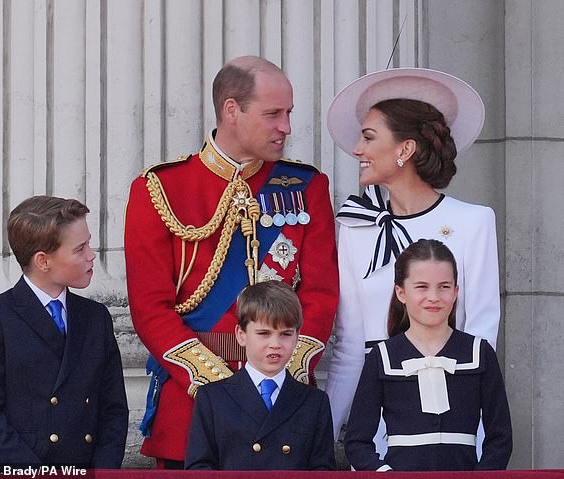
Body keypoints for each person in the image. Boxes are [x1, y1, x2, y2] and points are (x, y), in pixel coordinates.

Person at [124, 55, 338, 468]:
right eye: (273, 114)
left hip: (283, 402)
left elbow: (321, 295)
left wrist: (275, 374)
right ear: (231, 110)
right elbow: (151, 308)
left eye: (289, 113)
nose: (287, 127)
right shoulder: (160, 189)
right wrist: (223, 386)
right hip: (194, 400)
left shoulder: (306, 186)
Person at [324, 68, 501, 443]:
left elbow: (480, 339)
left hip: (451, 422)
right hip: (376, 424)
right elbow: (350, 347)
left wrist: (475, 437)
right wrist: (321, 437)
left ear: (405, 149)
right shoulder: (356, 227)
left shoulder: (473, 222)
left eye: (369, 138)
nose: (358, 149)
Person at [0, 196, 129, 468]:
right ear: (43, 261)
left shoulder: (96, 318)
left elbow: (113, 410)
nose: (91, 255)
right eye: (80, 248)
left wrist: (103, 472)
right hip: (19, 471)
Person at [345, 239, 512, 471]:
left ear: (456, 292)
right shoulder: (382, 357)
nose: (434, 297)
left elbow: (501, 438)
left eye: (444, 287)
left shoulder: (479, 353)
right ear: (401, 292)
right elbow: (357, 442)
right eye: (421, 287)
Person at [184, 281, 336, 470]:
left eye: (286, 334)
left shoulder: (314, 402)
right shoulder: (212, 398)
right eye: (264, 333)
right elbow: (199, 468)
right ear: (241, 334)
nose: (275, 344)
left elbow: (322, 470)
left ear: (298, 336)